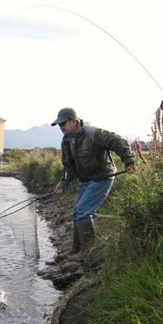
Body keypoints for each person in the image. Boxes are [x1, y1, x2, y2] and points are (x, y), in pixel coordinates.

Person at [51, 108, 136, 263]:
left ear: (73, 121)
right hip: (85, 180)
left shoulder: (94, 134)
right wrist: (64, 183)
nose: (60, 127)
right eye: (58, 124)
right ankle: (76, 249)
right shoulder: (66, 141)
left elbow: (118, 142)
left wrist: (129, 161)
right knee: (76, 213)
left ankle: (87, 252)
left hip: (103, 178)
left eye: (62, 123)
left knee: (83, 212)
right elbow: (68, 166)